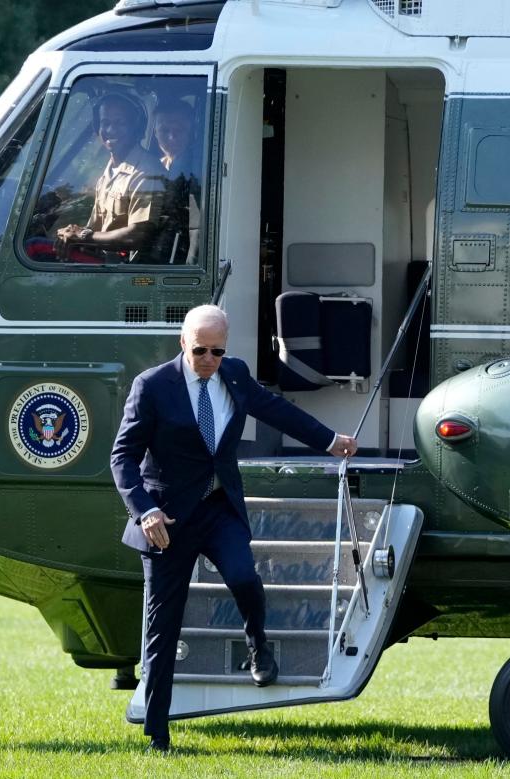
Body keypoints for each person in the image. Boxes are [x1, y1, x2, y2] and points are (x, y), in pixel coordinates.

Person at [110, 305, 358, 752]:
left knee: (245, 578)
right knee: (162, 626)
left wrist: (329, 440)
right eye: (200, 350)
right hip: (166, 520)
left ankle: (257, 644)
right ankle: (158, 733)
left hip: (220, 507)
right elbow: (122, 456)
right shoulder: (152, 386)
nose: (208, 359)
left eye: (217, 351)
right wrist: (144, 511)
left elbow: (278, 411)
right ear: (183, 343)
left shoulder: (237, 375)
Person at [54, 93, 166, 262]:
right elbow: (96, 228)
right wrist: (71, 234)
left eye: (120, 123)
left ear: (136, 128)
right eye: (105, 123)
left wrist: (83, 236)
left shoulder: (146, 172)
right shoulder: (111, 169)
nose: (111, 130)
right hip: (104, 262)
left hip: (127, 273)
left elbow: (138, 236)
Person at [151, 98, 202, 264]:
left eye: (179, 130)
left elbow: (197, 227)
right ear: (154, 131)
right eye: (164, 130)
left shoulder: (195, 173)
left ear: (192, 132)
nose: (171, 137)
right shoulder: (156, 167)